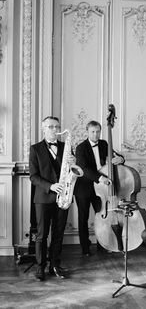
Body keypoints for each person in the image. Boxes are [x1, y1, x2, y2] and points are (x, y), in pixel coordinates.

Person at [74, 120, 124, 256]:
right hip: (84, 188)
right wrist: (100, 178)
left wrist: (120, 159)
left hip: (101, 189)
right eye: (93, 132)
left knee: (102, 216)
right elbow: (83, 168)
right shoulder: (81, 148)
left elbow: (116, 156)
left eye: (98, 132)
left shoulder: (104, 144)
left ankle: (102, 244)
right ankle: (85, 248)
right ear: (87, 132)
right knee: (83, 218)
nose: (95, 135)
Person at [29, 116, 68, 281]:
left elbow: (71, 170)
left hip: (63, 198)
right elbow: (33, 176)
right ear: (43, 128)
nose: (54, 129)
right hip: (43, 198)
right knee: (42, 235)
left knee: (58, 234)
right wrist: (50, 186)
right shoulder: (35, 149)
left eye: (57, 126)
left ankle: (55, 266)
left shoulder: (66, 147)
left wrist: (73, 163)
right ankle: (40, 267)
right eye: (51, 126)